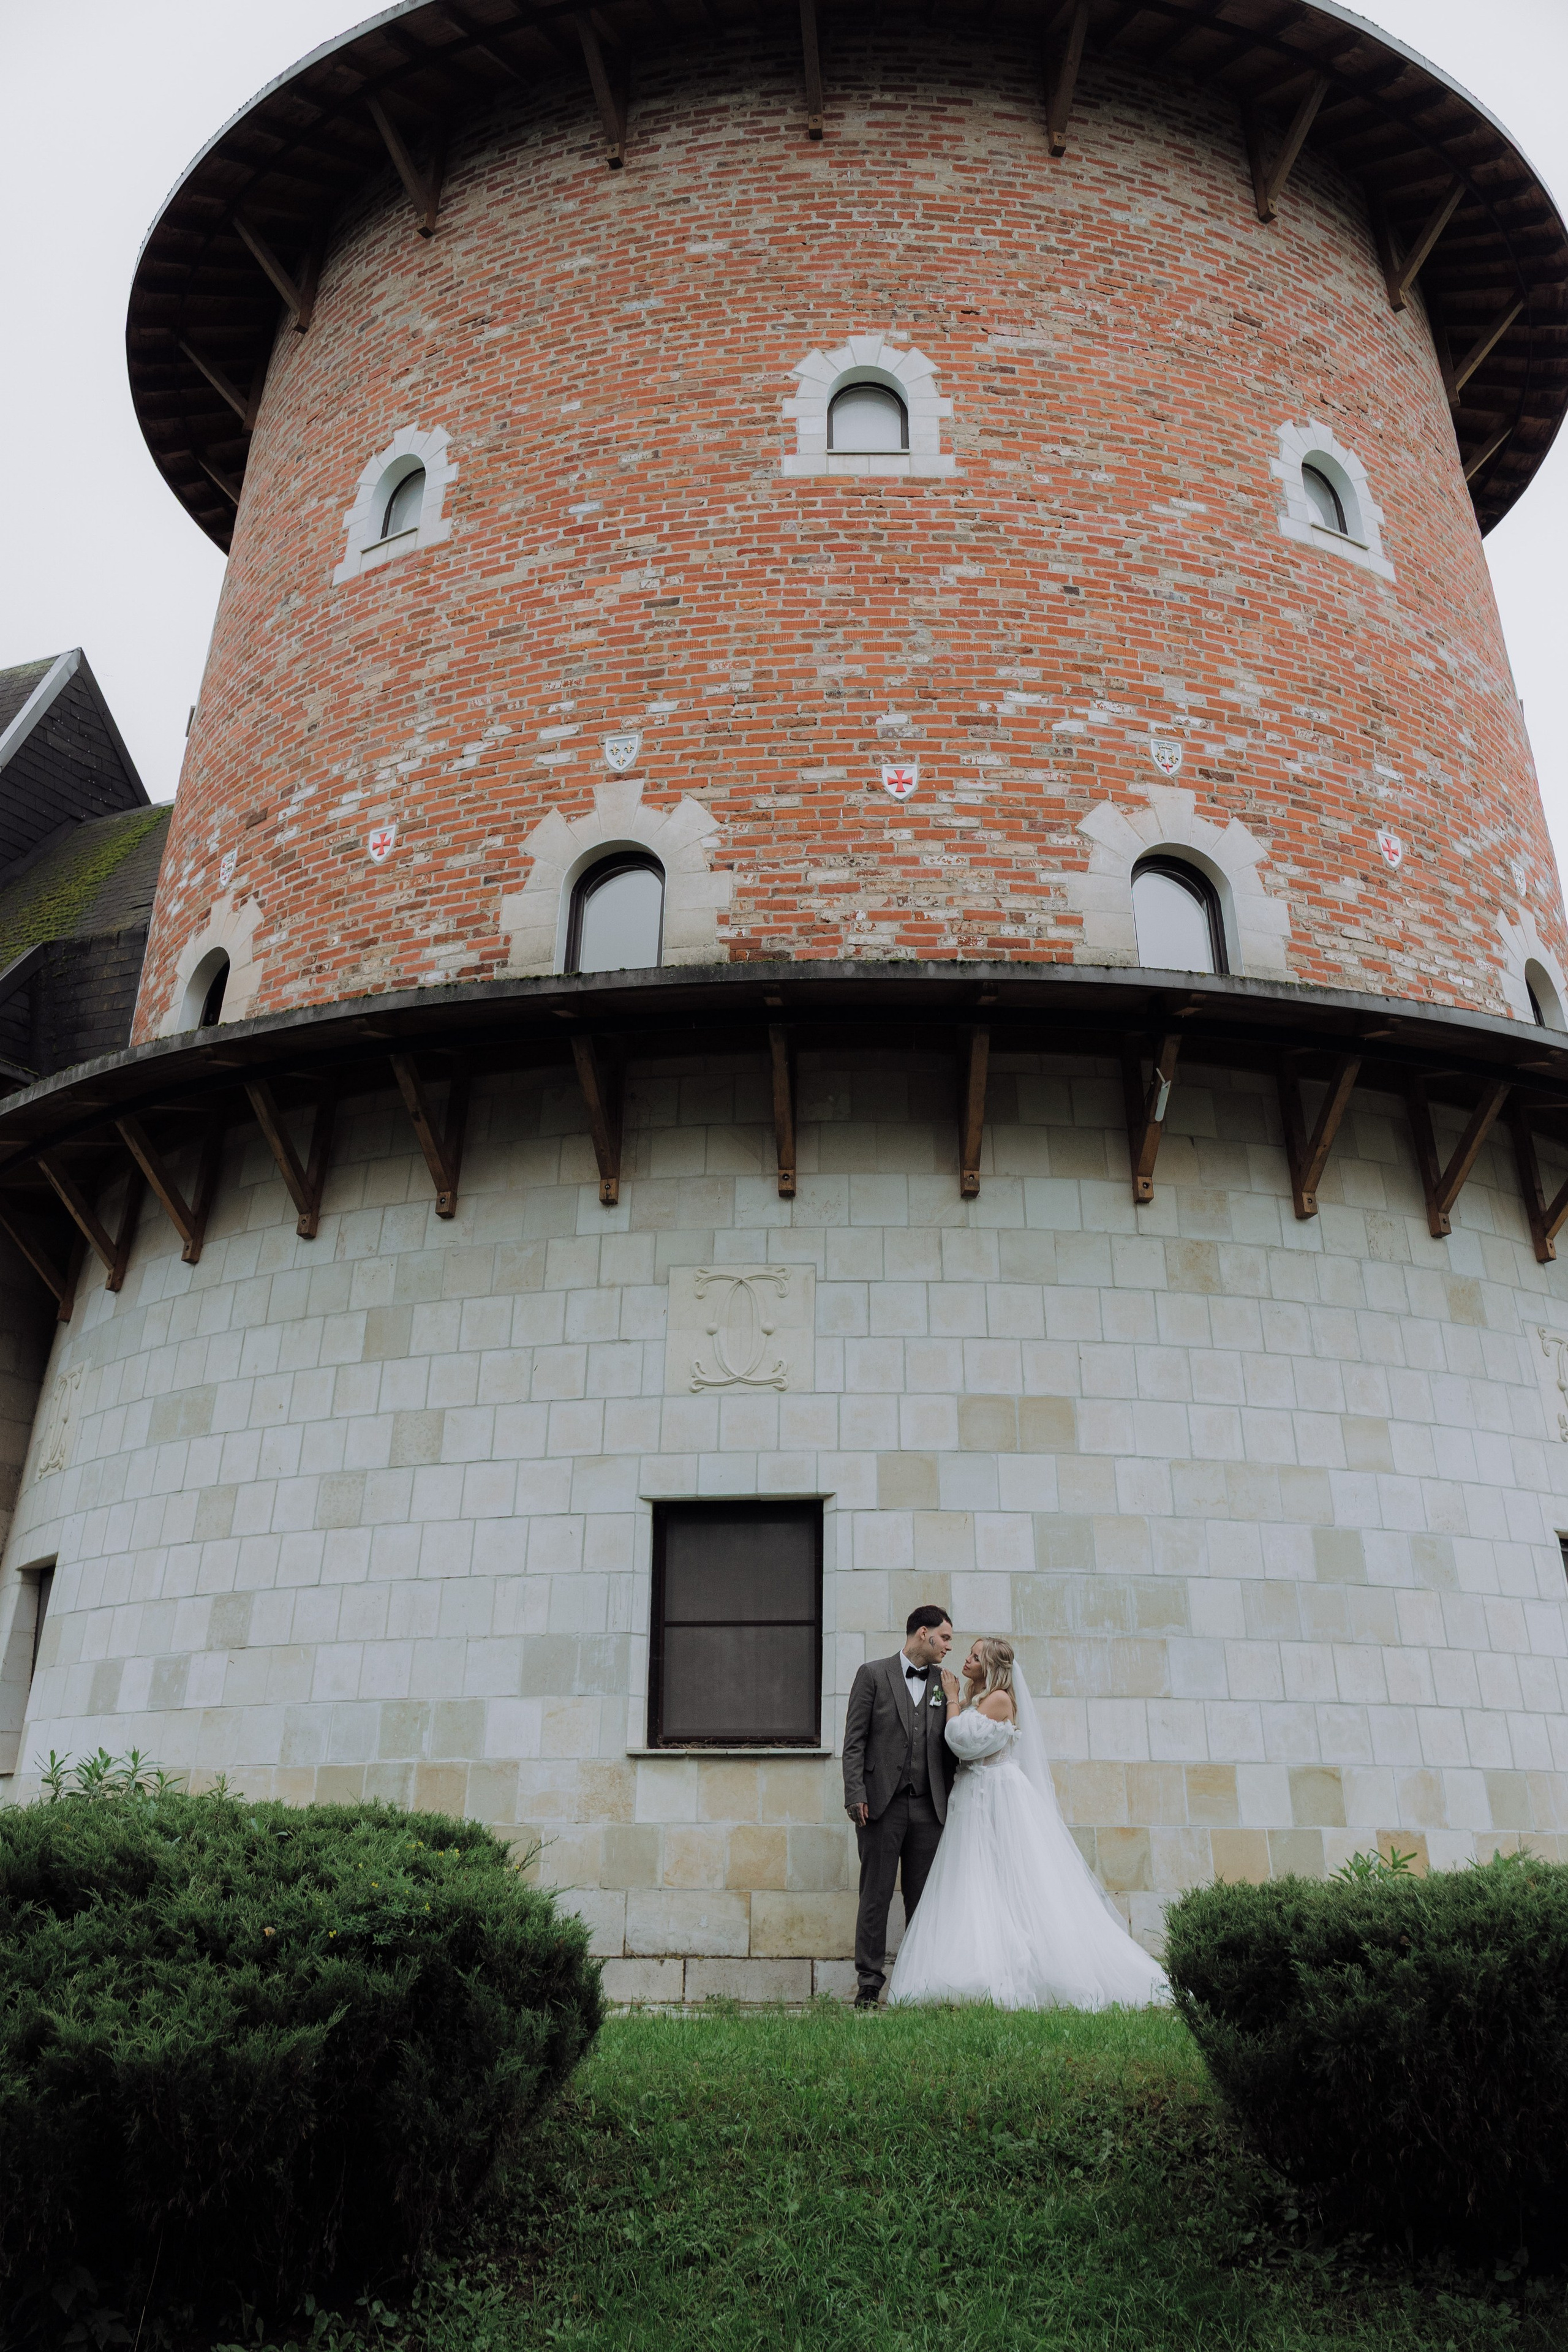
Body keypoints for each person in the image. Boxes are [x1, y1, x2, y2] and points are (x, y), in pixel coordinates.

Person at [886, 1635, 1170, 2010]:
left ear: (991, 1666)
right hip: (972, 1799)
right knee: (974, 1879)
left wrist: (952, 1697)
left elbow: (959, 1741)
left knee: (1013, 1880)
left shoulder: (999, 1700)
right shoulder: (979, 1699)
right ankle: (974, 1967)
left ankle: (1030, 1970)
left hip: (997, 1797)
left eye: (974, 1657)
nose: (966, 1661)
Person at [842, 1605, 957, 2011]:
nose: (948, 1646)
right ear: (923, 1633)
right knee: (876, 1896)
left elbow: (952, 1740)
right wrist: (855, 1793)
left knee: (924, 1900)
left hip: (930, 1808)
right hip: (880, 1806)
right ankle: (869, 1986)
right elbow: (854, 1740)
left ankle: (920, 1982)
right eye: (944, 1637)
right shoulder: (873, 1674)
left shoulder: (945, 1684)